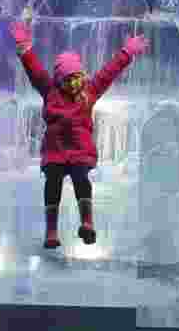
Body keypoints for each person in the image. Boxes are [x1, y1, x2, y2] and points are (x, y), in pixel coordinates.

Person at [11, 21, 149, 248]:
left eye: (78, 77)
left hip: (79, 152)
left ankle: (87, 222)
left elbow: (108, 73)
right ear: (60, 80)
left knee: (82, 181)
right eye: (69, 79)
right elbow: (35, 72)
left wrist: (126, 53)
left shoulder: (88, 93)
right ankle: (51, 230)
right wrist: (24, 47)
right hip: (55, 153)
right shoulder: (51, 92)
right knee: (52, 186)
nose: (75, 83)